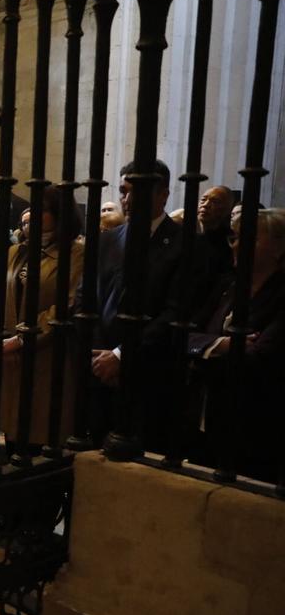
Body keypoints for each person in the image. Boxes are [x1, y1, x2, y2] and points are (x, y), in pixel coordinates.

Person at [87, 160, 186, 452]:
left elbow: (175, 311)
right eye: (123, 191)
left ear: (163, 195)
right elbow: (86, 298)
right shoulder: (107, 240)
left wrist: (121, 355)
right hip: (98, 369)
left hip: (148, 373)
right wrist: (98, 354)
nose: (126, 200)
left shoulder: (184, 244)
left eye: (136, 192)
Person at [0, 189, 84, 454]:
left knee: (38, 437)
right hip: (7, 355)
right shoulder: (16, 251)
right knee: (11, 435)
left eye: (43, 212)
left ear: (60, 216)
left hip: (44, 358)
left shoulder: (76, 255)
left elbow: (65, 307)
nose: (34, 218)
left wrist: (19, 340)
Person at [187, 208, 284, 482]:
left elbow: (261, 359)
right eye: (235, 237)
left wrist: (204, 352)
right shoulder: (227, 287)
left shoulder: (280, 295)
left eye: (250, 238)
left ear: (279, 249)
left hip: (255, 424)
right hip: (205, 417)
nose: (237, 245)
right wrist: (222, 345)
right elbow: (185, 336)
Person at [198, 185, 236, 278]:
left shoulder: (231, 242)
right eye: (203, 199)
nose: (206, 204)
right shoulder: (185, 232)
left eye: (215, 201)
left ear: (228, 209)